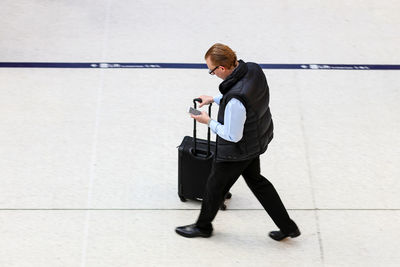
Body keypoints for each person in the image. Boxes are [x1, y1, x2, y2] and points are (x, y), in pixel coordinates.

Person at [175, 43, 300, 241]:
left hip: (237, 150)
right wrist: (215, 99)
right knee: (257, 182)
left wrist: (207, 120)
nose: (212, 73)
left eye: (211, 71)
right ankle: (288, 227)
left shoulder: (235, 100)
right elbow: (243, 95)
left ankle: (203, 227)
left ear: (222, 68)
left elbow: (232, 135)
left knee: (214, 185)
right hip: (256, 138)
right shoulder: (252, 69)